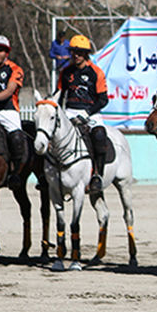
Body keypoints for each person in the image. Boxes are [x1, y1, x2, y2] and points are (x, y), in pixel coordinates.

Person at [57, 34, 111, 194]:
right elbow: (60, 95)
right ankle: (48, 175)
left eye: (80, 52)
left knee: (99, 135)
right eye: (73, 51)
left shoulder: (96, 72)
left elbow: (103, 100)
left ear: (86, 53)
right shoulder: (66, 73)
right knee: (51, 134)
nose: (76, 55)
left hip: (91, 113)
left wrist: (87, 113)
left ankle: (97, 176)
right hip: (70, 111)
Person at [0, 34, 28, 189]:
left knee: (16, 138)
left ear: (6, 52)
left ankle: (15, 172)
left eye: (0, 51)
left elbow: (9, 91)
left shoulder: (15, 69)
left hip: (8, 111)